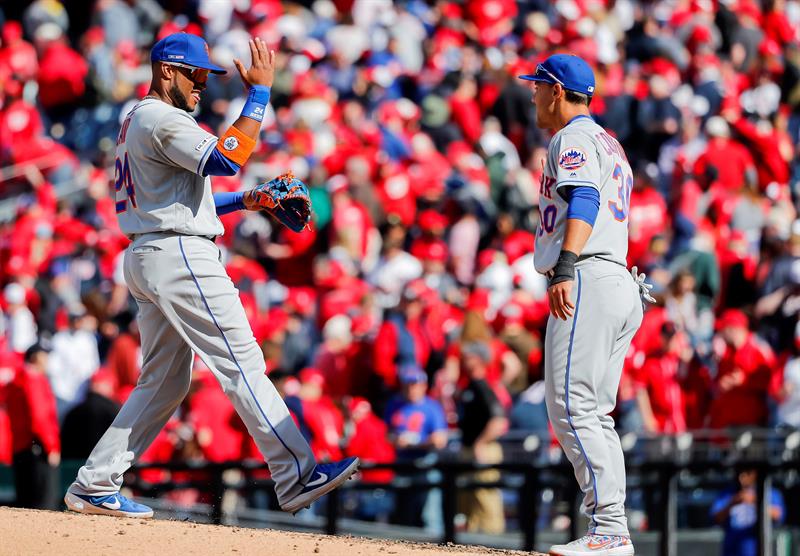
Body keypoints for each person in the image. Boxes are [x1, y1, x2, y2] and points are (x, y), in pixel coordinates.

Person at [64, 33, 358, 519]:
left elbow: (180, 199)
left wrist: (247, 200)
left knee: (165, 382)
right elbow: (227, 157)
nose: (204, 85)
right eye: (196, 74)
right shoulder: (162, 117)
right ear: (166, 71)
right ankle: (297, 473)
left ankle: (95, 483)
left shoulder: (137, 119)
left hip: (151, 251)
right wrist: (260, 94)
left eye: (207, 76)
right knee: (241, 362)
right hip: (180, 255)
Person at [518, 54, 653, 555]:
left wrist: (566, 266)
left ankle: (610, 530)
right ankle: (611, 529)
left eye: (537, 86)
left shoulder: (571, 137)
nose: (532, 94)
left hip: (591, 273)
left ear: (556, 90)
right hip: (619, 278)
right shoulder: (610, 143)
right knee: (593, 413)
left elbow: (585, 200)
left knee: (572, 408)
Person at [6, 343, 60, 509]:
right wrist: (51, 447)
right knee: (44, 505)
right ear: (37, 357)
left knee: (25, 505)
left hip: (21, 447)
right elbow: (40, 416)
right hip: (38, 449)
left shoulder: (17, 379)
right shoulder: (34, 378)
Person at [711, 469, 785, 556]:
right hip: (732, 550)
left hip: (759, 549)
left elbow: (778, 515)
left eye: (748, 473)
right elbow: (715, 518)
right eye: (740, 472)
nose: (742, 477)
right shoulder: (728, 493)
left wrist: (755, 501)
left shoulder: (769, 492)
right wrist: (732, 504)